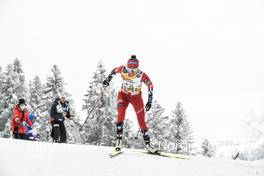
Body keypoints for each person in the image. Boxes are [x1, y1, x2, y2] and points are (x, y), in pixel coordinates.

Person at [103, 55, 156, 153]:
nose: (131, 72)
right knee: (121, 113)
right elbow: (114, 71)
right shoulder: (123, 69)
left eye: (134, 70)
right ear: (127, 67)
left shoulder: (141, 74)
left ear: (137, 68)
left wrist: (149, 101)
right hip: (123, 95)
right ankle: (118, 141)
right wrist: (107, 80)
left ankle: (148, 145)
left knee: (141, 121)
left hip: (136, 98)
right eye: (130, 69)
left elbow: (150, 85)